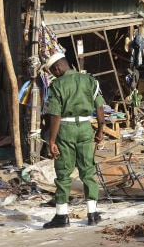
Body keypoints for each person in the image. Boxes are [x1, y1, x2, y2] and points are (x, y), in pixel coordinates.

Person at [42, 52, 106, 228]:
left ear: (57, 68)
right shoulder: (90, 80)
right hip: (86, 128)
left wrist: (52, 141)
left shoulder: (57, 85)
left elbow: (55, 115)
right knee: (88, 171)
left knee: (63, 172)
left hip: (66, 130)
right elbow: (100, 108)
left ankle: (62, 216)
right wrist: (100, 130)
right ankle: (92, 213)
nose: (54, 75)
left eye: (53, 72)